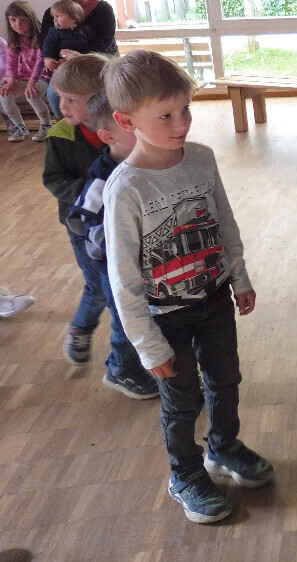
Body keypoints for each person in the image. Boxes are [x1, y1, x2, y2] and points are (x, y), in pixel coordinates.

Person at [103, 50, 273, 524]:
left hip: (215, 296)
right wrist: (147, 345)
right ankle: (185, 473)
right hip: (164, 315)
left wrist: (238, 276)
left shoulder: (201, 158)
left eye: (186, 110)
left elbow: (224, 223)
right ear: (125, 120)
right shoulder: (126, 188)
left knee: (226, 380)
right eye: (166, 115)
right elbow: (123, 279)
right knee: (182, 401)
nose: (182, 123)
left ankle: (224, 446)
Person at [66, 90, 159, 399]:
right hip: (115, 266)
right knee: (126, 319)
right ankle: (120, 370)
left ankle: (150, 359)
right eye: (134, 127)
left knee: (149, 316)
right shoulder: (102, 182)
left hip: (146, 263)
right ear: (109, 136)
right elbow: (90, 228)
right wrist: (124, 262)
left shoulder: (148, 164)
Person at [42, 53, 113, 365]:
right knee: (98, 286)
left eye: (72, 99)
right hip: (82, 227)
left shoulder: (121, 129)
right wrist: (91, 193)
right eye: (60, 98)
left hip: (123, 223)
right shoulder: (60, 135)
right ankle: (81, 328)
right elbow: (54, 179)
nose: (62, 107)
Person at [40, 0, 118, 117]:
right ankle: (72, 133)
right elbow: (46, 42)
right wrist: (60, 56)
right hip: (66, 64)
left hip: (100, 61)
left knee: (103, 95)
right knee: (55, 96)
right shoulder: (52, 13)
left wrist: (79, 60)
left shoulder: (103, 9)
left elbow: (104, 44)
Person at [1, 0, 52, 142]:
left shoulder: (41, 36)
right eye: (13, 20)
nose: (18, 24)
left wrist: (31, 82)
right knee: (4, 94)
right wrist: (10, 80)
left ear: (31, 19)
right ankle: (20, 128)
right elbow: (10, 61)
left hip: (41, 78)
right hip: (22, 78)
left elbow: (40, 63)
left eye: (23, 20)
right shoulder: (13, 39)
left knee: (31, 94)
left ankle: (46, 125)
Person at [41, 0, 92, 73]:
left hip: (83, 64)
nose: (54, 20)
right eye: (54, 17)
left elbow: (92, 45)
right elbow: (47, 44)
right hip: (63, 66)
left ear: (74, 18)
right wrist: (47, 58)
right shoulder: (54, 32)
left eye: (58, 16)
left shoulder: (85, 30)